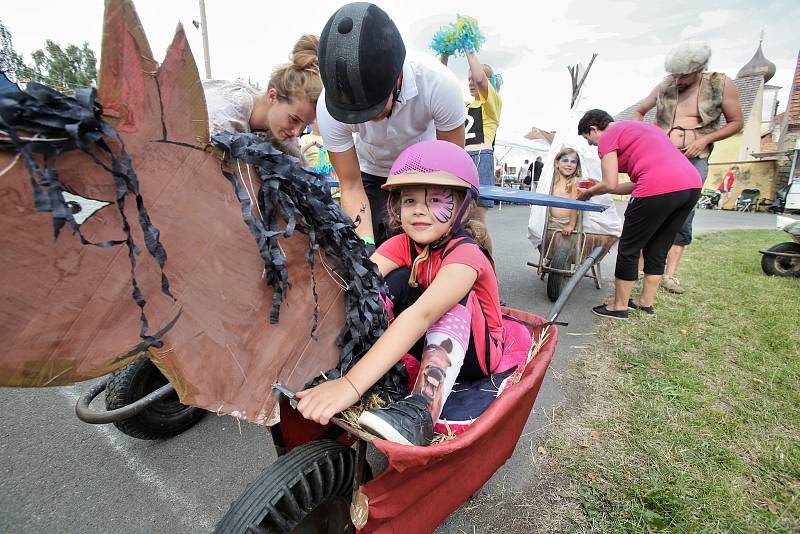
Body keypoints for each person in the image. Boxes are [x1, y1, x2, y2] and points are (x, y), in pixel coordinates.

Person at [295, 140, 503, 446]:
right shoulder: (402, 243)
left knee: (452, 297)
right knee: (382, 284)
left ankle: (421, 411)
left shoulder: (466, 254)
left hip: (476, 352)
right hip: (427, 335)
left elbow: (422, 315)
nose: (419, 211)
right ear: (396, 206)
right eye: (409, 201)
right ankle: (360, 360)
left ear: (462, 207)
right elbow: (357, 284)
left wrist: (350, 386)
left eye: (435, 200)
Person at [316, 3, 466, 247]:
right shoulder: (326, 107)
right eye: (355, 114)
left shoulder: (439, 84)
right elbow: (351, 185)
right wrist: (366, 248)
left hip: (427, 174)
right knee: (370, 253)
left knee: (437, 250)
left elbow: (453, 173)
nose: (364, 119)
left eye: (373, 109)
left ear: (397, 77)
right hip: (371, 174)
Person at [632, 40, 742, 294]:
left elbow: (736, 122)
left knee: (683, 213)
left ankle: (669, 275)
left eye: (684, 75)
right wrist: (649, 138)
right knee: (646, 208)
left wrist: (704, 139)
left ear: (700, 68)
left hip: (694, 158)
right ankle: (639, 269)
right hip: (661, 157)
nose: (678, 80)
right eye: (675, 74)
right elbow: (639, 112)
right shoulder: (666, 85)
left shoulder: (720, 84)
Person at [577, 110, 702, 320]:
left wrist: (589, 192)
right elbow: (636, 182)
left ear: (593, 129)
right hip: (690, 185)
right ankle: (645, 303)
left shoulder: (609, 136)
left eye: (590, 141)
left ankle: (618, 306)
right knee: (659, 245)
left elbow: (610, 182)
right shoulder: (644, 129)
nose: (593, 146)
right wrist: (603, 187)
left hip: (659, 186)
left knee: (629, 247)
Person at [202, 34, 320, 157]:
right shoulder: (223, 114)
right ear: (273, 96)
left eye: (305, 125)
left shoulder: (284, 138)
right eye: (294, 120)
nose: (297, 133)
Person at [548, 148, 582, 237]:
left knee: (563, 250)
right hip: (551, 222)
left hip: (567, 224)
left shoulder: (574, 182)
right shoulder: (551, 182)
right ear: (557, 163)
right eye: (565, 160)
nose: (569, 164)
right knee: (548, 249)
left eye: (573, 162)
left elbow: (575, 205)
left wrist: (571, 225)